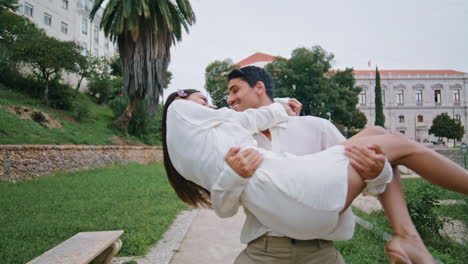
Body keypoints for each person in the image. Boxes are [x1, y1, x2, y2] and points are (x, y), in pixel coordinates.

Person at [162, 88, 468, 263]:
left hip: (318, 245)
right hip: (271, 243)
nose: (224, 103)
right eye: (207, 100)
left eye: (234, 92)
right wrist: (233, 175)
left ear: (259, 89)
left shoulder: (312, 126)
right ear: (180, 101)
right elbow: (224, 207)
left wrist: (378, 173)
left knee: (376, 136)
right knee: (398, 143)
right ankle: (409, 239)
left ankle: (406, 237)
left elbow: (364, 180)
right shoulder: (224, 136)